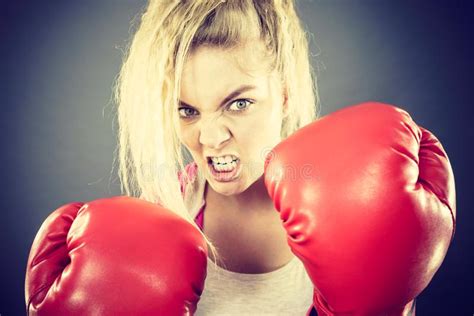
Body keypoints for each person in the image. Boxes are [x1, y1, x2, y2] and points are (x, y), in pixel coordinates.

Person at [24, 1, 456, 315]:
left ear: (283, 94)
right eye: (187, 110)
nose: (210, 137)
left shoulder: (356, 200)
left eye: (238, 104)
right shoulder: (156, 215)